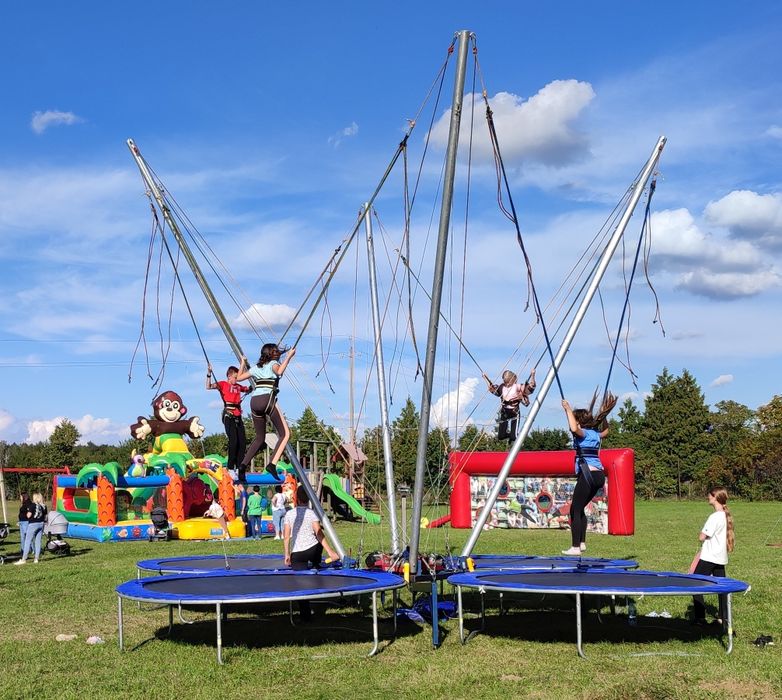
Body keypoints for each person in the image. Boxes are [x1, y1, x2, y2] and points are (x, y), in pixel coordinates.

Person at [560, 391, 618, 555]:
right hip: (598, 475)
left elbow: (573, 427)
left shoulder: (583, 434)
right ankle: (582, 543)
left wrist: (567, 409)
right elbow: (606, 431)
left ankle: (575, 547)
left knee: (574, 510)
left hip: (587, 475)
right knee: (580, 508)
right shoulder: (595, 435)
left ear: (579, 422)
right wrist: (604, 416)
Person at [236, 344, 296, 480]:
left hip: (254, 402)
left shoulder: (257, 368)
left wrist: (242, 363)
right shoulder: (274, 364)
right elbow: (279, 371)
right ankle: (272, 464)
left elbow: (238, 378)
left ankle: (242, 466)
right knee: (285, 434)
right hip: (267, 399)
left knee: (259, 438)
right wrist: (289, 357)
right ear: (272, 354)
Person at [284, 485, 339, 620]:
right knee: (317, 544)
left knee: (299, 582)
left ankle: (305, 613)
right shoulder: (311, 513)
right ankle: (316, 565)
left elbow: (286, 536)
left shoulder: (289, 514)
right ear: (309, 499)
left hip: (298, 553)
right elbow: (318, 533)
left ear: (296, 498)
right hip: (313, 550)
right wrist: (331, 552)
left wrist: (287, 555)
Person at [692, 487, 735, 626]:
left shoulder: (715, 516)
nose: (707, 497)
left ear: (715, 497)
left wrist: (702, 536)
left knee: (695, 584)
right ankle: (723, 618)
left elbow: (701, 536)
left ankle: (700, 618)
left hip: (709, 557)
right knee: (722, 588)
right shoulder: (724, 515)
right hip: (720, 558)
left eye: (709, 495)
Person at [206, 364, 251, 478]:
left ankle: (240, 467)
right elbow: (208, 386)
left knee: (242, 443)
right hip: (228, 415)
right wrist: (209, 373)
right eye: (235, 377)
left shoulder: (238, 386)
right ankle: (230, 467)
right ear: (229, 376)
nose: (237, 379)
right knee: (234, 441)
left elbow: (249, 389)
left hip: (238, 416)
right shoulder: (223, 384)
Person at [483, 368, 536, 442]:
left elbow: (531, 388)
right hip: (504, 412)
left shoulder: (518, 387)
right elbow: (493, 389)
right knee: (501, 436)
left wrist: (533, 375)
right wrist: (485, 378)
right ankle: (510, 436)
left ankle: (516, 438)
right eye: (505, 382)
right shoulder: (502, 387)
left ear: (513, 380)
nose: (507, 384)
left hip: (514, 412)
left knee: (514, 437)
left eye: (508, 382)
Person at [15, 493, 47, 565]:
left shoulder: (32, 505)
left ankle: (24, 559)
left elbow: (28, 516)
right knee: (38, 541)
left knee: (27, 541)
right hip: (41, 524)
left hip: (33, 524)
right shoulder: (44, 506)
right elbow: (45, 517)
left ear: (35, 498)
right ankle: (36, 558)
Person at [17, 491, 32, 556]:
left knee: (27, 536)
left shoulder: (28, 503)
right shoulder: (23, 503)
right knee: (22, 537)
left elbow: (30, 512)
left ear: (24, 496)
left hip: (26, 522)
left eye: (21, 496)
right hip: (21, 522)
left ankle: (31, 549)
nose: (20, 498)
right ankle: (23, 550)